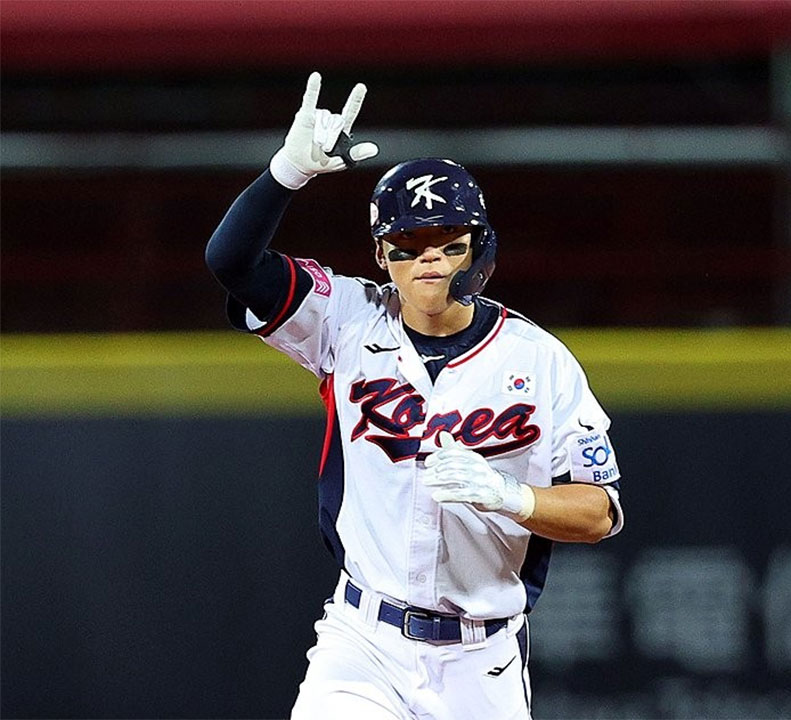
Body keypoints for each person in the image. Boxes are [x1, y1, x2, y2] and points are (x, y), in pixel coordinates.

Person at [205, 72, 623, 720]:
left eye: (447, 241)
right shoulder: (346, 319)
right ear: (381, 255)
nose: (429, 260)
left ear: (478, 247)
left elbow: (598, 511)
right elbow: (231, 262)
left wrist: (509, 495)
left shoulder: (540, 361)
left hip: (481, 658)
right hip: (363, 640)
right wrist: (286, 173)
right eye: (407, 245)